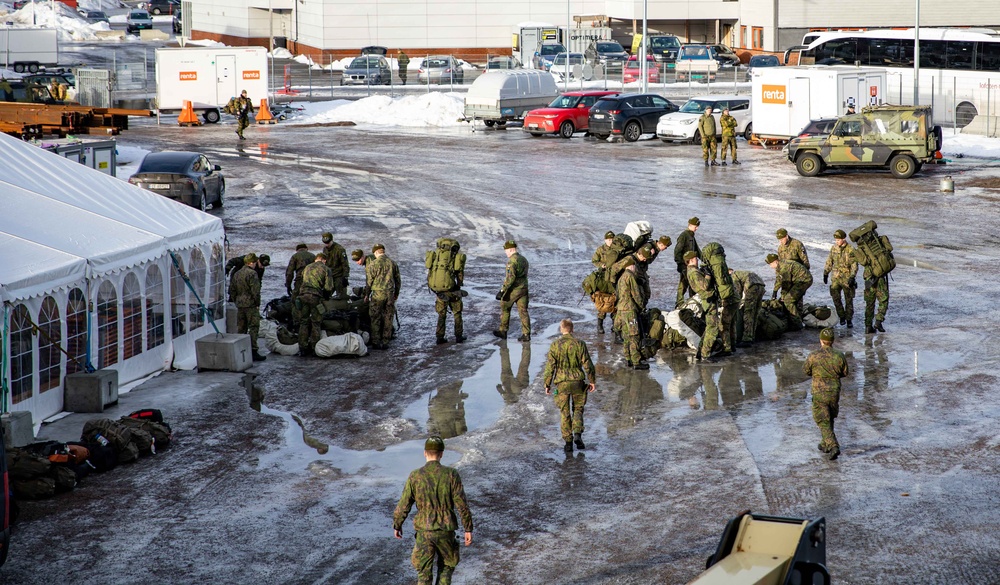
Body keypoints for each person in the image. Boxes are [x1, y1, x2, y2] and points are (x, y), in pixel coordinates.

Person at [393, 436, 474, 585]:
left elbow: (404, 504)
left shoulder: (415, 476)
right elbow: (461, 504)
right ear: (441, 454)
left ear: (425, 453)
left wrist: (397, 524)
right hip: (446, 531)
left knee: (423, 574)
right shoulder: (451, 474)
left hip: (424, 531)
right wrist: (468, 528)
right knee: (446, 570)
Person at [543, 319, 597, 452]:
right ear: (572, 329)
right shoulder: (580, 344)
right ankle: (577, 433)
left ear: (561, 329)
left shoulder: (555, 345)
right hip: (578, 381)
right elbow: (588, 364)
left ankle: (568, 443)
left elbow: (550, 366)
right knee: (578, 409)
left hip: (561, 383)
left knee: (564, 412)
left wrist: (547, 384)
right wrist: (592, 381)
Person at [803, 328, 849, 461]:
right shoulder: (839, 355)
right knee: (829, 416)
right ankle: (825, 443)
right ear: (832, 341)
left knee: (822, 419)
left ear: (821, 340)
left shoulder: (813, 355)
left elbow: (806, 370)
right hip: (834, 391)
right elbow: (845, 372)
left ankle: (833, 445)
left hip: (819, 391)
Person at [493, 240, 530, 342]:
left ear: (510, 250)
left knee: (505, 308)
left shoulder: (512, 261)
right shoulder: (524, 259)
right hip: (523, 289)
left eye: (506, 251)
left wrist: (502, 291)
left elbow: (510, 278)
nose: (506, 253)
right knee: (523, 311)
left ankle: (503, 331)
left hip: (514, 290)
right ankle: (526, 334)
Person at [297, 253, 334, 356]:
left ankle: (302, 348)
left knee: (304, 322)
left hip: (303, 296)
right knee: (316, 322)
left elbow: (301, 280)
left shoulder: (307, 267)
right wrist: (326, 297)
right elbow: (328, 287)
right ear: (324, 260)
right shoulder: (326, 269)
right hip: (315, 297)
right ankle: (315, 347)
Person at [231, 253, 266, 361]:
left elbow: (232, 290)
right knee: (254, 327)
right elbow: (255, 291)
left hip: (240, 304)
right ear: (252, 262)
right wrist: (257, 303)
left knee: (241, 328)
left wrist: (236, 300)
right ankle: (253, 350)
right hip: (250, 304)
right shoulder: (252, 274)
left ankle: (240, 351)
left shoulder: (237, 273)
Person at [686, 251, 720, 361]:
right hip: (708, 300)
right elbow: (704, 286)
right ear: (690, 260)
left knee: (709, 326)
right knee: (713, 327)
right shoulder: (694, 272)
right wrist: (708, 275)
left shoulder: (692, 271)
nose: (697, 260)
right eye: (695, 258)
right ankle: (706, 353)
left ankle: (701, 351)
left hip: (706, 299)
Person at [766, 253, 813, 331]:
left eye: (770, 264)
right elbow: (779, 279)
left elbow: (786, 283)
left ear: (776, 262)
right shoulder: (779, 267)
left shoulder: (784, 267)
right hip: (797, 281)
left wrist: (783, 296)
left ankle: (797, 324)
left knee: (788, 301)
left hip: (804, 281)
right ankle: (794, 318)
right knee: (789, 299)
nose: (770, 266)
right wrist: (775, 291)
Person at [365, 244, 399, 350]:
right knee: (388, 317)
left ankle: (376, 341)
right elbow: (398, 280)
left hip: (377, 295)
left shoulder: (373, 264)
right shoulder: (392, 263)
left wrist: (367, 294)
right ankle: (385, 342)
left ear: (375, 253)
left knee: (375, 317)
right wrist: (396, 293)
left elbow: (369, 282)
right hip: (389, 294)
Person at [824, 230, 859, 328]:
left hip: (847, 279)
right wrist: (825, 273)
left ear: (844, 239)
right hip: (835, 277)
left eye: (838, 239)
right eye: (836, 239)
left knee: (849, 300)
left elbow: (854, 264)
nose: (837, 241)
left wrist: (852, 276)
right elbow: (829, 261)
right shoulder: (834, 248)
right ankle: (841, 316)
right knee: (836, 298)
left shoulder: (851, 249)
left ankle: (849, 319)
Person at [615, 261, 646, 369]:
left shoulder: (621, 278)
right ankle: (636, 361)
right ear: (631, 266)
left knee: (626, 334)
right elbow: (636, 293)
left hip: (621, 309)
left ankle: (628, 358)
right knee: (634, 335)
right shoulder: (630, 277)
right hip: (630, 309)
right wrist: (641, 306)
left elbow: (618, 295)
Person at [729, 269, 766, 346]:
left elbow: (738, 291)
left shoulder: (733, 276)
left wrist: (736, 304)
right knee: (755, 312)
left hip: (752, 286)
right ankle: (752, 336)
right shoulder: (742, 273)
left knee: (748, 313)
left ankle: (747, 339)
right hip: (761, 286)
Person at [591, 230, 618, 334]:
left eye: (612, 239)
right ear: (605, 240)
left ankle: (614, 325)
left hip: (614, 278)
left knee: (614, 301)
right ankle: (600, 325)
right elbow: (594, 260)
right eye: (609, 239)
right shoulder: (600, 249)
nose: (610, 241)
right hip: (603, 278)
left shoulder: (617, 250)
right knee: (602, 300)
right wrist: (601, 265)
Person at [859, 249, 890, 334]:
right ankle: (878, 321)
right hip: (879, 279)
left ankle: (868, 326)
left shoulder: (863, 248)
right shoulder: (879, 247)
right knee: (883, 301)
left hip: (868, 280)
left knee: (869, 304)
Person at [673, 217, 701, 306]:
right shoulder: (684, 236)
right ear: (689, 225)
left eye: (697, 226)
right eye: (695, 226)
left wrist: (706, 260)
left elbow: (697, 251)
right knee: (686, 284)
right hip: (685, 265)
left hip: (691, 265)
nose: (697, 228)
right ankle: (680, 303)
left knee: (688, 283)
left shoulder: (691, 235)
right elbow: (677, 251)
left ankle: (689, 301)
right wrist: (680, 264)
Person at [321, 231, 350, 298]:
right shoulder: (325, 249)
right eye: (325, 243)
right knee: (326, 296)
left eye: (328, 243)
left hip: (339, 276)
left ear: (332, 240)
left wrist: (345, 276)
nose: (327, 244)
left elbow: (345, 264)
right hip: (329, 276)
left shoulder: (340, 249)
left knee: (341, 296)